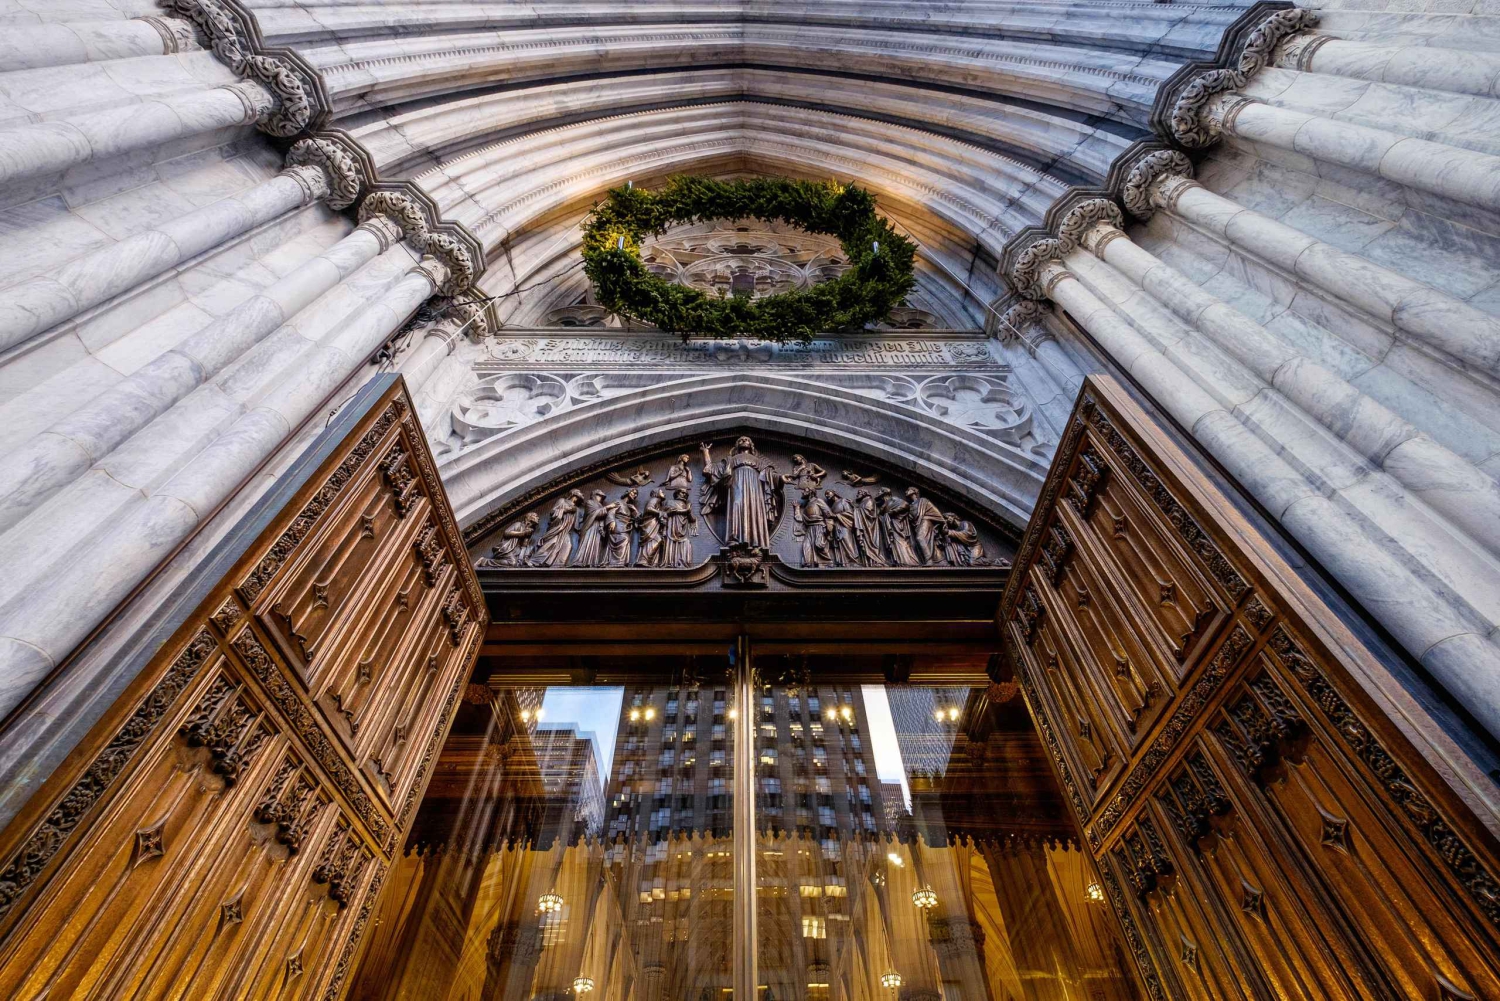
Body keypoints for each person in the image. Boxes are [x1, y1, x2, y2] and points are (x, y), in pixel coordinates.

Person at [700, 437, 778, 550]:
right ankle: (734, 538)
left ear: (751, 445)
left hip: (754, 489)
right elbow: (711, 470)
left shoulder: (759, 462)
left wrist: (781, 478)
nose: (743, 441)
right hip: (736, 485)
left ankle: (756, 541)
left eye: (746, 440)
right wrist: (705, 452)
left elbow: (770, 475)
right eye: (740, 440)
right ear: (736, 446)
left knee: (754, 510)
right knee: (736, 505)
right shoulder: (730, 460)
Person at [528, 490, 584, 567]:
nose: (582, 494)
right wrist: (566, 509)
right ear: (574, 493)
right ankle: (533, 561)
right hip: (558, 527)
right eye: (580, 492)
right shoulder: (562, 500)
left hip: (566, 530)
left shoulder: (577, 509)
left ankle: (558, 565)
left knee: (568, 545)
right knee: (551, 543)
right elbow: (553, 512)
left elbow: (577, 523)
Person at [879, 487, 921, 566]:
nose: (878, 494)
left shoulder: (893, 499)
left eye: (880, 493)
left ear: (884, 494)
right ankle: (898, 561)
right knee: (895, 543)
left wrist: (893, 512)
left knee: (900, 541)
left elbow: (905, 505)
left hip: (897, 525)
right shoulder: (885, 504)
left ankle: (909, 562)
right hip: (890, 525)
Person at [573, 489, 614, 567]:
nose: (601, 498)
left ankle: (592, 563)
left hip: (598, 528)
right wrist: (608, 507)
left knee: (596, 545)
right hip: (590, 526)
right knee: (588, 543)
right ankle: (581, 562)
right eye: (599, 496)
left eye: (602, 497)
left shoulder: (601, 506)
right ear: (594, 495)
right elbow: (595, 513)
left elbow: (603, 516)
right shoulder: (590, 502)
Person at [907, 486, 946, 565]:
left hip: (926, 521)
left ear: (914, 491)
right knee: (926, 542)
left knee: (920, 538)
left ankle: (929, 560)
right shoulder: (910, 506)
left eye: (908, 490)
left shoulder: (923, 501)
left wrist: (942, 522)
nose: (906, 492)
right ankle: (940, 560)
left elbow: (936, 512)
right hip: (917, 526)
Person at [795, 489, 833, 567]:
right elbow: (801, 519)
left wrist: (829, 527)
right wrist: (797, 508)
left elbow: (828, 513)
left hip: (819, 526)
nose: (802, 492)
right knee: (806, 545)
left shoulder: (818, 501)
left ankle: (827, 563)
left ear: (811, 492)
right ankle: (807, 564)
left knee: (818, 545)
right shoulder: (807, 506)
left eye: (805, 490)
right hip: (809, 528)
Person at [663, 488, 698, 567]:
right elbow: (665, 512)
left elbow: (692, 519)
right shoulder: (670, 502)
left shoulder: (686, 505)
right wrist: (686, 510)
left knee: (686, 543)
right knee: (671, 542)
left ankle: (681, 562)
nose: (685, 495)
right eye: (683, 493)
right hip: (672, 527)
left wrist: (688, 510)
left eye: (686, 494)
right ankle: (670, 562)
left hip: (682, 529)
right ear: (677, 493)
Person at [853, 488, 888, 566]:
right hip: (865, 527)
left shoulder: (869, 501)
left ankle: (876, 561)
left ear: (865, 493)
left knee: (871, 544)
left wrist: (855, 509)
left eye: (859, 493)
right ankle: (869, 563)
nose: (857, 495)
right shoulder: (863, 502)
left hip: (869, 528)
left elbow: (869, 514)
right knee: (865, 545)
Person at [825, 490, 861, 567]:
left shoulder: (843, 501)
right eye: (825, 495)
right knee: (839, 544)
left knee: (847, 541)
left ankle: (853, 562)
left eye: (828, 493)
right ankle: (843, 563)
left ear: (834, 492)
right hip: (837, 527)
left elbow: (850, 513)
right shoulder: (833, 506)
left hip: (845, 525)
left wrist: (835, 516)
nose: (827, 495)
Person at [605, 488, 638, 567]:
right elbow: (611, 511)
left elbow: (637, 519)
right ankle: (616, 562)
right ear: (628, 492)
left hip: (625, 526)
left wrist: (634, 510)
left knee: (626, 539)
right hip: (617, 524)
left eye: (636, 494)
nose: (635, 495)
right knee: (623, 539)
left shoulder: (630, 506)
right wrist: (611, 521)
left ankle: (620, 562)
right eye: (634, 492)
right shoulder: (618, 502)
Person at [635, 489, 666, 567]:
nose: (664, 493)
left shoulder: (658, 503)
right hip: (649, 524)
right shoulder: (654, 499)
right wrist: (660, 512)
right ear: (656, 493)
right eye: (662, 492)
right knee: (654, 540)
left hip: (653, 524)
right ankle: (643, 560)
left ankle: (648, 561)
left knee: (657, 540)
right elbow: (649, 508)